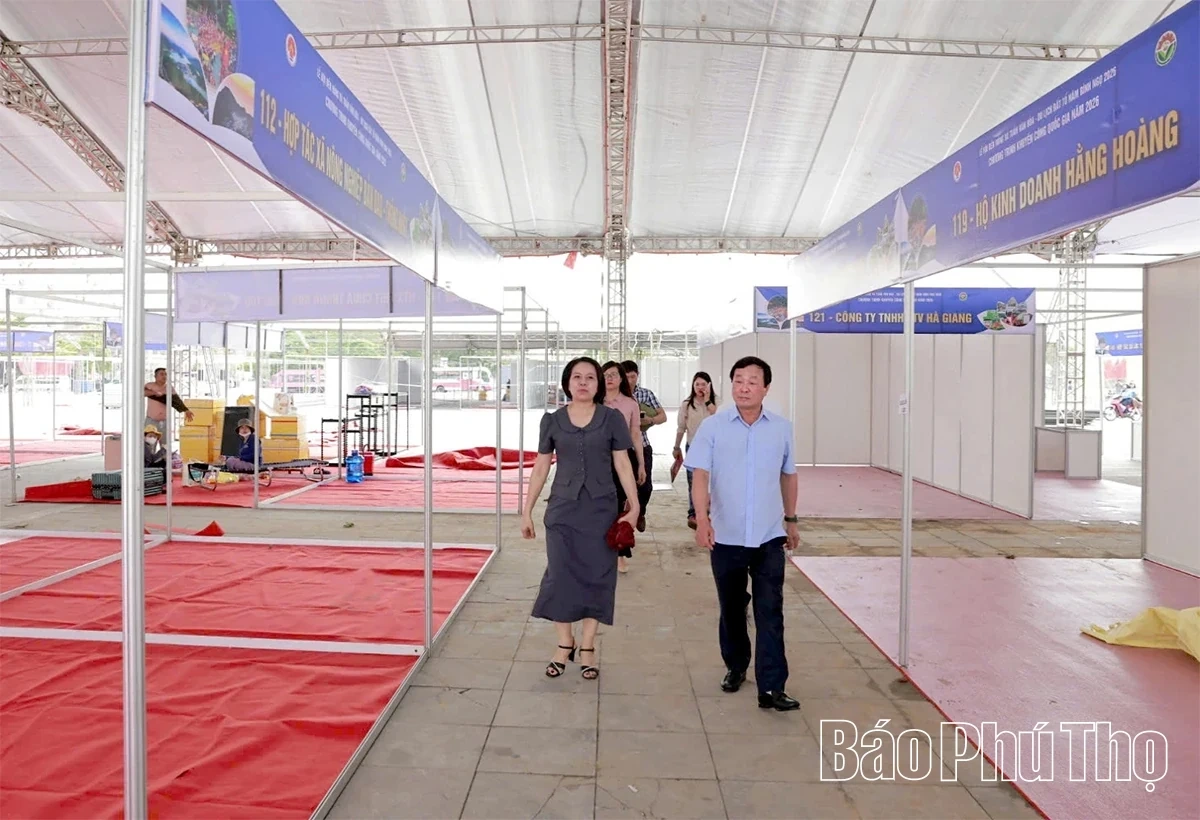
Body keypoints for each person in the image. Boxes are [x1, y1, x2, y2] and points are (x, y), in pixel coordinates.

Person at [685, 355, 801, 712]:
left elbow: (788, 474)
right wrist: (702, 520)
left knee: (771, 610)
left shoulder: (781, 428)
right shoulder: (713, 428)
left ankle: (772, 686)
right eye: (738, 380)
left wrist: (791, 519)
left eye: (752, 380)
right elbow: (700, 475)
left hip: (768, 535)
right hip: (727, 535)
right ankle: (736, 667)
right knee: (732, 608)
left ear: (766, 387)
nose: (744, 386)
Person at [523, 357, 639, 681]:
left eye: (591, 377)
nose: (584, 382)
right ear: (567, 383)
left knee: (598, 576)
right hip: (561, 510)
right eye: (577, 377)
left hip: (601, 510)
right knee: (560, 575)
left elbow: (623, 463)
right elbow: (542, 466)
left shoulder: (612, 419)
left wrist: (634, 506)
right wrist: (526, 510)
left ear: (599, 384)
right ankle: (564, 643)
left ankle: (587, 645)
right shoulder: (552, 421)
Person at [602, 360, 647, 573]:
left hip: (623, 458)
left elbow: (636, 435)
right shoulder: (594, 402)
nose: (609, 378)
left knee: (621, 507)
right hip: (598, 459)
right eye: (606, 374)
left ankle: (621, 553)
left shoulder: (630, 404)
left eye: (614, 374)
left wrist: (641, 464)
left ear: (621, 378)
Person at [621, 360, 666, 532]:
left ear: (637, 375)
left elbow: (663, 416)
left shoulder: (646, 394)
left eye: (633, 376)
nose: (630, 381)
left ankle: (640, 512)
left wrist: (650, 420)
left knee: (645, 485)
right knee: (622, 485)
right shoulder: (616, 396)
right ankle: (624, 519)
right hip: (620, 448)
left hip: (643, 444)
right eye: (626, 377)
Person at [673, 371, 718, 530]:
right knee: (694, 481)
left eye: (703, 384)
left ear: (709, 386)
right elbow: (681, 427)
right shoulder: (687, 404)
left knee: (713, 481)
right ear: (693, 386)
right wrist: (676, 447)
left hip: (715, 447)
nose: (700, 387)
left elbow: (718, 417)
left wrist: (707, 401)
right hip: (693, 446)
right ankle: (693, 513)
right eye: (697, 384)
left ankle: (710, 512)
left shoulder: (716, 402)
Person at [144, 367, 193, 435]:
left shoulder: (169, 388)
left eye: (165, 374)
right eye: (162, 374)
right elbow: (142, 393)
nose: (164, 376)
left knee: (165, 445)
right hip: (151, 421)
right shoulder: (149, 385)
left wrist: (186, 410)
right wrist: (155, 393)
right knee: (149, 444)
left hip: (165, 422)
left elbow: (176, 400)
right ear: (155, 376)